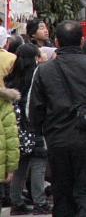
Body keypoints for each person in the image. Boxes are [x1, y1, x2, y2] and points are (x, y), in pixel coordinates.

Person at [27, 21, 86, 217]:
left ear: (57, 42)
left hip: (56, 138)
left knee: (62, 191)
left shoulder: (43, 70)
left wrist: (41, 130)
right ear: (82, 41)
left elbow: (34, 108)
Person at [7, 44, 48, 215]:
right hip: (34, 125)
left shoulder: (11, 78)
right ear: (35, 58)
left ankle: (16, 201)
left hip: (16, 128)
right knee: (39, 162)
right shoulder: (38, 77)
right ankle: (40, 202)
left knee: (20, 165)